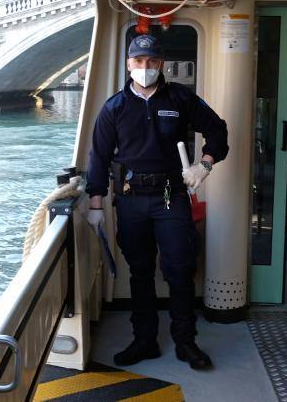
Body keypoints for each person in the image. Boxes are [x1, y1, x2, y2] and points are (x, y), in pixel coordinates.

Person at [85, 34, 228, 371]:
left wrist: (203, 166)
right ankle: (144, 340)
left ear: (161, 63)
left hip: (168, 194)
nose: (145, 68)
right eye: (139, 61)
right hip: (131, 197)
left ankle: (185, 342)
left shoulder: (180, 98)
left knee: (179, 269)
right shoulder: (113, 108)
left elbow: (218, 131)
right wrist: (95, 204)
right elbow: (99, 157)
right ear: (128, 64)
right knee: (140, 272)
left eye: (151, 62)